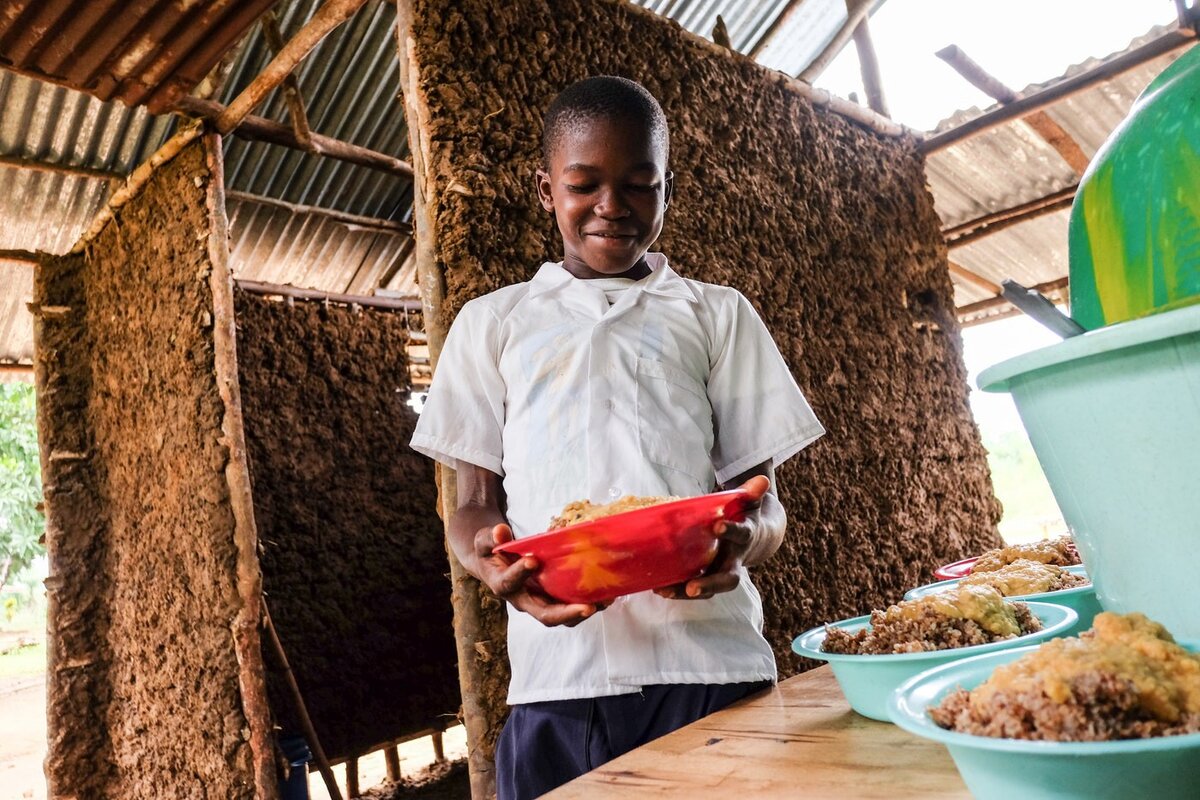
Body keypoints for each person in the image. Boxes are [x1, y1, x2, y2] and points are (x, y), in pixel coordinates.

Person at [411, 75, 824, 799]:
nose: (611, 207)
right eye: (583, 185)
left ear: (665, 188)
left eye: (639, 184)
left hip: (710, 667)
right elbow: (472, 505)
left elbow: (762, 503)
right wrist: (490, 566)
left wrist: (741, 543)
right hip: (557, 676)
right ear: (546, 190)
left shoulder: (715, 315)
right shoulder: (493, 324)